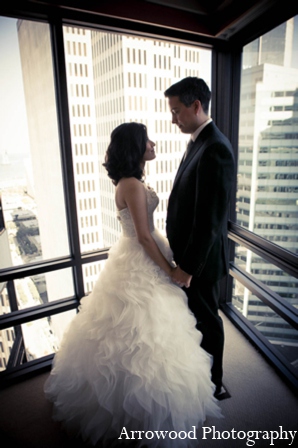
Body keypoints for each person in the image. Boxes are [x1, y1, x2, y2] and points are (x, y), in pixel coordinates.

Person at [44, 122, 222, 447]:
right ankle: (140, 415)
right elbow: (142, 235)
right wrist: (169, 269)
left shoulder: (132, 181)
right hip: (142, 258)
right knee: (143, 335)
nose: (153, 143)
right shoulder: (132, 185)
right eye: (147, 140)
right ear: (135, 147)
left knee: (148, 333)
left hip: (138, 253)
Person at [164, 77, 235, 399]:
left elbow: (210, 219)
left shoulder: (215, 147)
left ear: (196, 106)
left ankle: (214, 384)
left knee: (208, 322)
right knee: (197, 320)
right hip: (190, 256)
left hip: (201, 263)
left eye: (177, 111)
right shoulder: (198, 141)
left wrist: (188, 267)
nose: (173, 118)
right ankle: (201, 377)